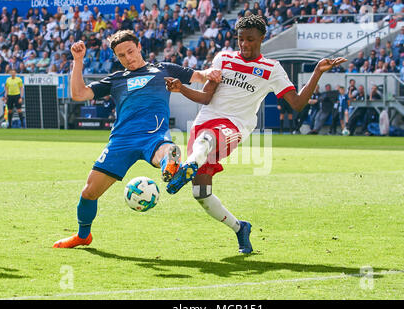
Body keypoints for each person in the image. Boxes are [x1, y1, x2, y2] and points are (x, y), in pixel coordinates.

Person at [164, 15, 346, 253]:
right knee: (201, 194)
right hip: (203, 122)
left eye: (250, 39)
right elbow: (206, 97)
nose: (244, 44)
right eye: (240, 39)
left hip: (234, 127)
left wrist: (317, 72)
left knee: (207, 138)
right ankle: (240, 228)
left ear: (262, 38)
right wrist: (181, 89)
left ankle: (186, 165)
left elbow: (298, 103)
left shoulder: (272, 69)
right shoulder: (223, 58)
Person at [53, 30, 221, 249]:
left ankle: (171, 165)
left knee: (166, 151)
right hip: (121, 141)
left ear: (140, 47)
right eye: (121, 55)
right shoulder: (116, 79)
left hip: (153, 136)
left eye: (130, 51)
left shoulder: (163, 69)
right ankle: (83, 236)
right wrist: (78, 61)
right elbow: (78, 94)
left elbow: (199, 75)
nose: (128, 58)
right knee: (89, 192)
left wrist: (211, 73)